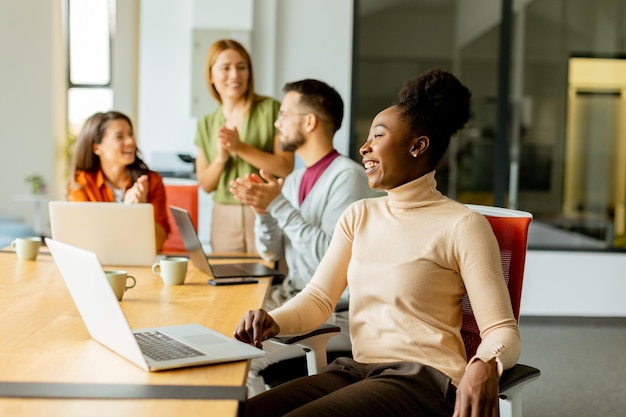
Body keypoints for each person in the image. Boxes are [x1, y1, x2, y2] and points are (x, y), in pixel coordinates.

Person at [234, 68, 521, 417]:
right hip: (357, 369)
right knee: (240, 412)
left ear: (418, 146)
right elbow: (319, 299)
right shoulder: (359, 215)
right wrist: (272, 320)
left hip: (423, 379)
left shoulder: (463, 225)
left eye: (378, 137)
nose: (363, 147)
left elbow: (501, 329)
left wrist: (484, 363)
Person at [229, 79, 380, 396]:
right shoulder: (294, 179)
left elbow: (328, 259)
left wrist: (277, 204)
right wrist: (263, 211)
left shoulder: (347, 177)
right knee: (221, 332)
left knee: (239, 362)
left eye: (284, 114)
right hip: (291, 300)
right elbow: (270, 250)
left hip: (334, 314)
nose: (276, 122)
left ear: (309, 121)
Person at [195, 39, 294, 253]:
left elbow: (285, 167)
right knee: (228, 281)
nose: (234, 75)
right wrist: (221, 159)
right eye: (225, 68)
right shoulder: (206, 123)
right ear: (211, 75)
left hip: (266, 209)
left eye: (241, 67)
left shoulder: (271, 109)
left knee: (270, 278)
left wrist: (239, 147)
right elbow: (205, 184)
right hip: (223, 214)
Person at [67, 111, 171, 251]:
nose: (131, 141)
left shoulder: (152, 181)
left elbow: (158, 245)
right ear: (97, 148)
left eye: (130, 134)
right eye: (119, 137)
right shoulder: (82, 183)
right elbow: (84, 240)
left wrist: (141, 211)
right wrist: (126, 212)